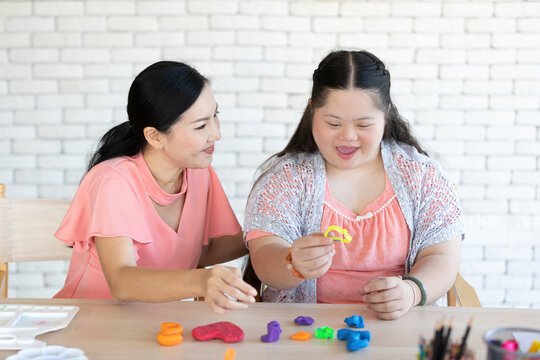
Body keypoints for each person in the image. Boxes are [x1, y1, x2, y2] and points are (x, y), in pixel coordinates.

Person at [244, 50, 463, 320]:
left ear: (387, 115)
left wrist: (412, 292)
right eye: (333, 123)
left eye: (364, 123)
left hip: (399, 326)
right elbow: (264, 256)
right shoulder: (284, 179)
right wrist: (292, 263)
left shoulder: (422, 176)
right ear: (313, 110)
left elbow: (442, 256)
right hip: (300, 332)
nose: (348, 137)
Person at [54, 61, 257, 314]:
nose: (216, 134)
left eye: (216, 115)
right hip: (88, 324)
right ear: (154, 136)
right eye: (201, 125)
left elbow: (201, 253)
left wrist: (270, 234)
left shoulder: (199, 173)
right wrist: (202, 282)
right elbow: (121, 282)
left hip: (151, 324)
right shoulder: (113, 180)